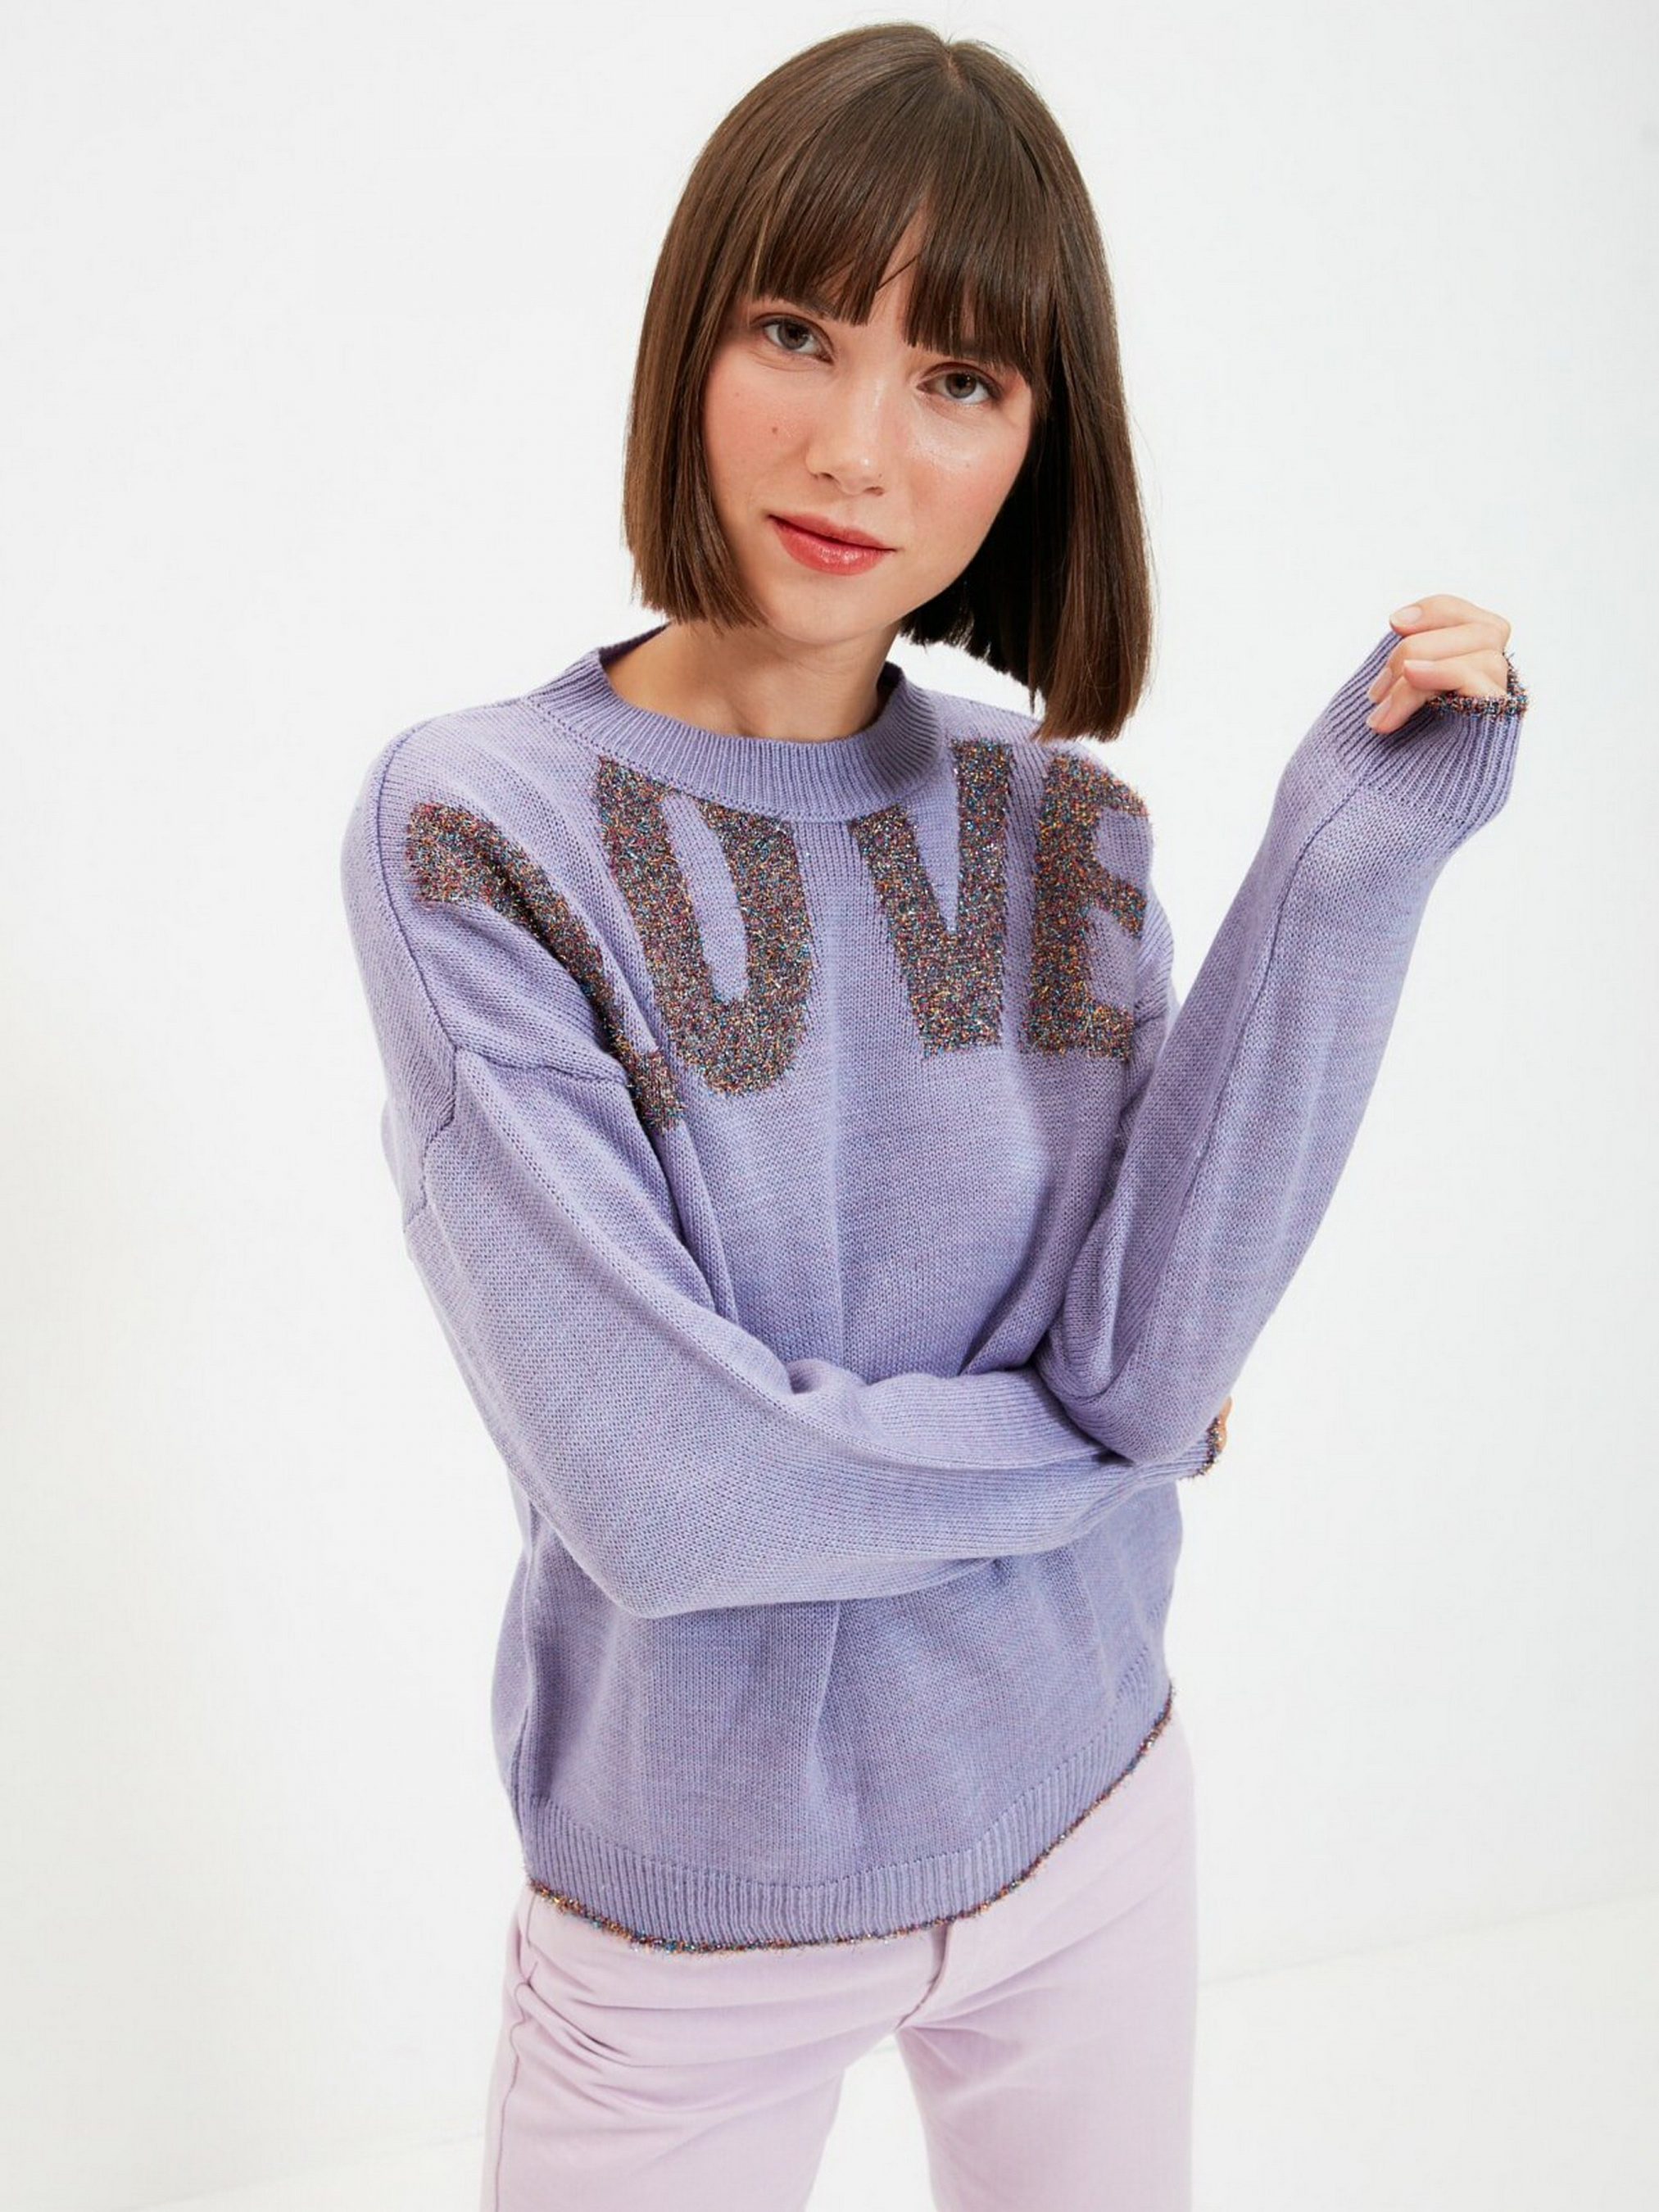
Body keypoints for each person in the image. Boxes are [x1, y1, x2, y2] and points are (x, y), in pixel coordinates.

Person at [338, 24, 1527, 2212]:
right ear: (693, 337)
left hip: (1092, 1812)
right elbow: (671, 1491)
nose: (856, 448)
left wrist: (1347, 863)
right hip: (693, 1916)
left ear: (1039, 443)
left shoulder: (1061, 821)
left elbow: (1153, 1351)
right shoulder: (479, 829)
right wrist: (1104, 1450)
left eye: (958, 379)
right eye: (797, 332)